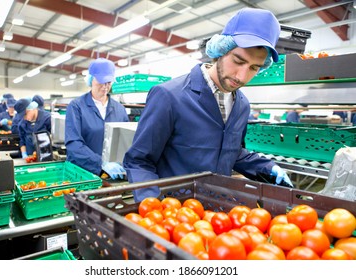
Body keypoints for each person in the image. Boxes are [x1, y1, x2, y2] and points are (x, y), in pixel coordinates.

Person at [123, 8, 293, 202]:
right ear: (220, 50)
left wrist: (265, 167)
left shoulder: (242, 104)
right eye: (238, 61)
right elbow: (139, 161)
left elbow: (231, 151)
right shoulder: (170, 96)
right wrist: (152, 206)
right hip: (175, 213)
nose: (242, 76)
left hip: (216, 212)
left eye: (254, 68)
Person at [65, 58, 129, 179]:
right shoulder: (76, 107)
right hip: (84, 174)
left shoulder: (120, 109)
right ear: (90, 80)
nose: (105, 86)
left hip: (113, 175)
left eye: (109, 82)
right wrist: (101, 163)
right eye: (101, 82)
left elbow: (125, 144)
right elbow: (74, 145)